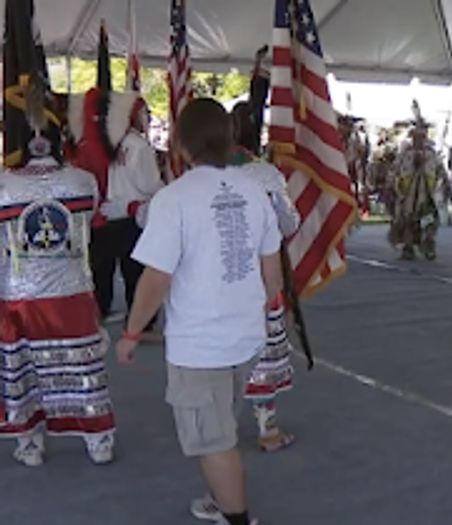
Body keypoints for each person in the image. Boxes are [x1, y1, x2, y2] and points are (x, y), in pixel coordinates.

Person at [116, 98, 281, 525]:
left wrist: (132, 332)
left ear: (181, 144)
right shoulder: (253, 190)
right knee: (220, 424)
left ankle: (237, 517)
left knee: (213, 440)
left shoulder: (175, 199)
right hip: (246, 337)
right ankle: (220, 500)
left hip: (200, 346)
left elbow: (156, 279)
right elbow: (272, 272)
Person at [0, 92, 116, 468]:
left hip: (19, 294)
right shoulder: (83, 182)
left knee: (25, 369)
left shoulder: (3, 185)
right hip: (73, 291)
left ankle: (30, 442)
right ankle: (98, 439)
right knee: (83, 367)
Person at [230, 100, 300, 453]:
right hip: (260, 274)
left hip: (218, 279)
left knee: (222, 348)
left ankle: (219, 427)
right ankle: (267, 428)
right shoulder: (267, 175)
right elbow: (290, 223)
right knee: (264, 349)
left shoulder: (206, 175)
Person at [97, 97, 164, 330]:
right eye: (146, 113)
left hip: (114, 212)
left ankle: (130, 318)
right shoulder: (140, 146)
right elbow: (149, 183)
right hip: (136, 215)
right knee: (136, 273)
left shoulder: (118, 143)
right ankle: (142, 322)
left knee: (124, 270)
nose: (149, 118)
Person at [388, 120, 447, 260]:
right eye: (416, 135)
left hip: (428, 192)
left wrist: (444, 183)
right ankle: (408, 247)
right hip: (408, 193)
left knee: (430, 220)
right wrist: (391, 185)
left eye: (422, 134)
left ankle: (428, 245)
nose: (419, 138)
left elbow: (440, 170)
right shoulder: (405, 153)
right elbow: (395, 170)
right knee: (407, 220)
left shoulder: (431, 153)